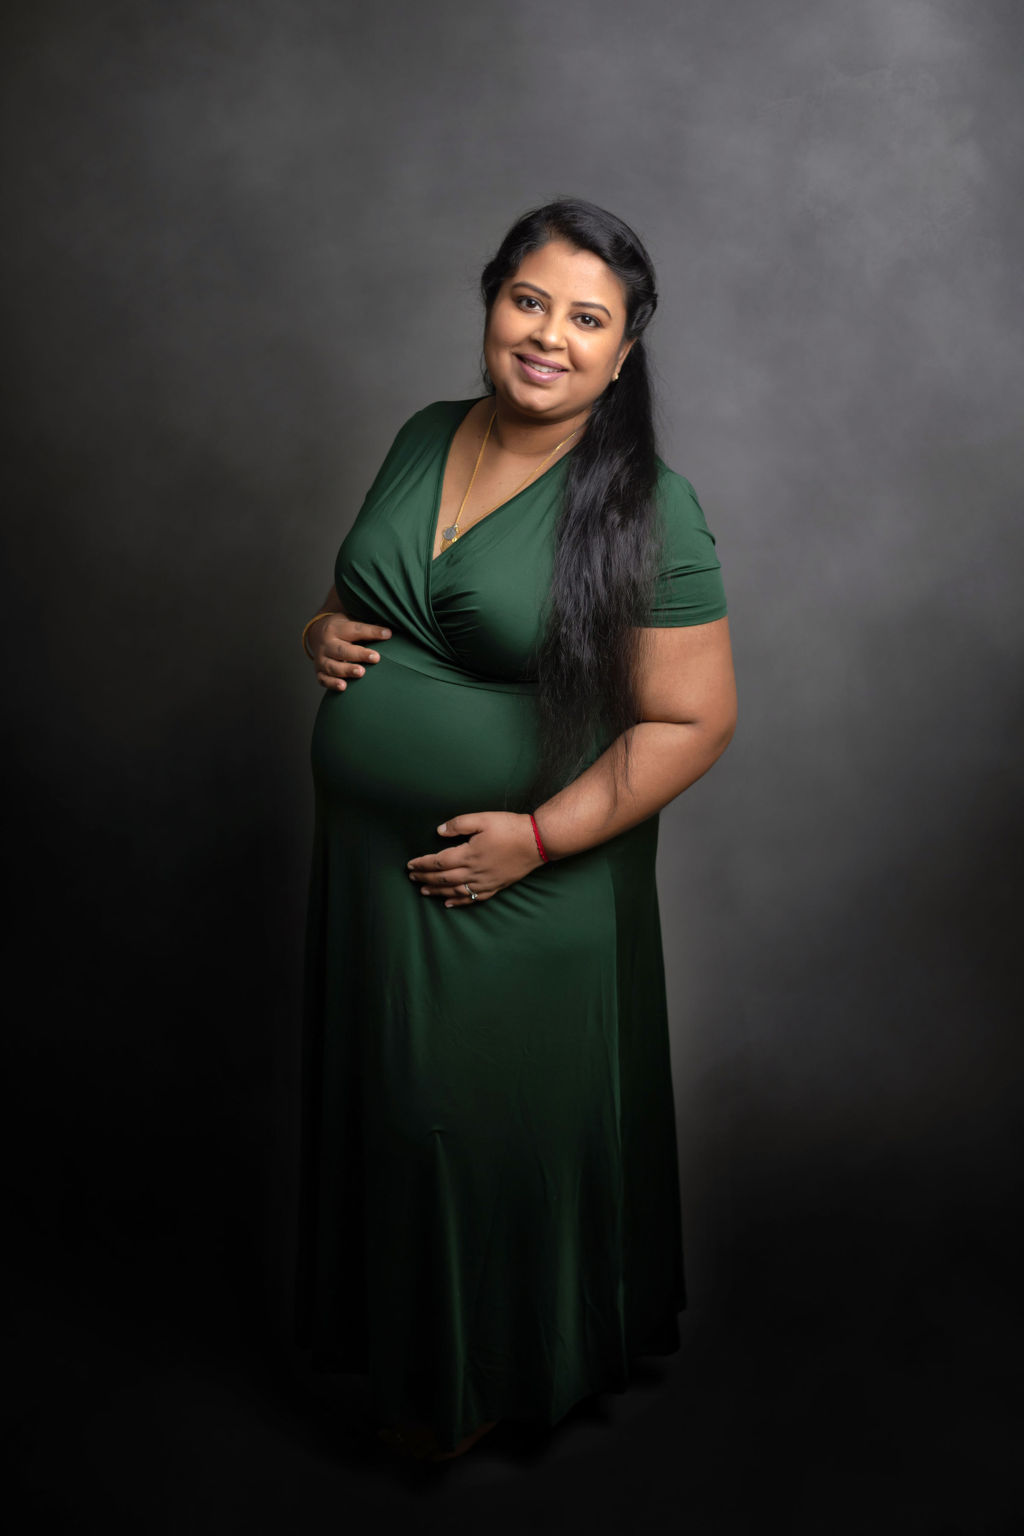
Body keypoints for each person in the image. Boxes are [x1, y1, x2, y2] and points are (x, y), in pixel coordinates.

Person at [293, 198, 737, 1464]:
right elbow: (370, 587)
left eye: (586, 319)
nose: (549, 336)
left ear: (625, 347)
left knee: (476, 1129)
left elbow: (693, 721)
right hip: (373, 868)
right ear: (491, 301)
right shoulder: (424, 433)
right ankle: (413, 1355)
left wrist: (535, 840)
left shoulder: (647, 502)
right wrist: (317, 630)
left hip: (521, 882)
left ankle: (485, 1377)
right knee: (394, 1115)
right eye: (528, 301)